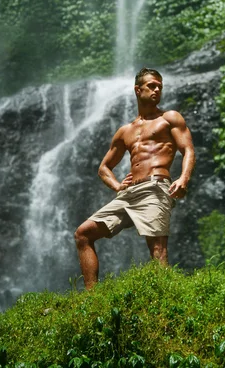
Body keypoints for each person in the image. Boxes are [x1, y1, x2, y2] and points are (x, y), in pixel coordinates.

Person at [74, 67, 196, 289]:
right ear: (137, 90)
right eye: (152, 85)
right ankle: (90, 299)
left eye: (160, 86)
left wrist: (183, 179)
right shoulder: (125, 131)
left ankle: (165, 303)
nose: (157, 89)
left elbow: (188, 150)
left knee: (157, 249)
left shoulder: (169, 118)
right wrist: (118, 186)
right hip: (129, 194)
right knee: (83, 234)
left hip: (155, 187)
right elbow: (104, 168)